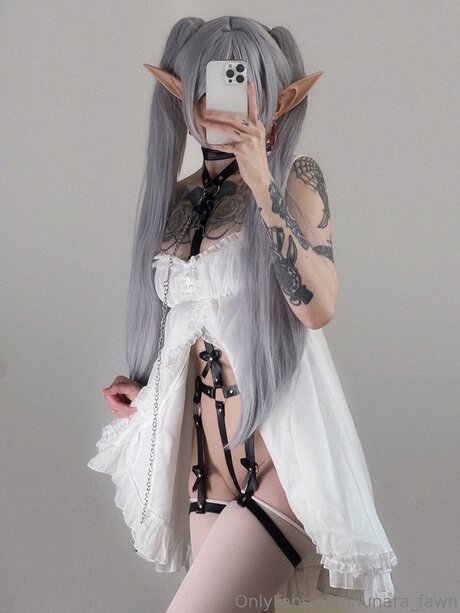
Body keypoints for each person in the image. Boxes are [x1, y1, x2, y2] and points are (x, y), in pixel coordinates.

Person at [88, 16, 398, 612]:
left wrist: (261, 181)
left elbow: (318, 309)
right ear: (185, 95)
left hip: (281, 460)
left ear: (277, 99)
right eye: (212, 84)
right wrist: (143, 386)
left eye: (245, 83)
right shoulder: (177, 197)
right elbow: (191, 325)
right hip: (205, 472)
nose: (227, 102)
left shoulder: (296, 182)